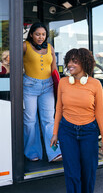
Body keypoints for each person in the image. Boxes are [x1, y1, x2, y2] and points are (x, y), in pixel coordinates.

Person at [50, 48, 103, 193]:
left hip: (89, 132)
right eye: (69, 61)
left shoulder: (95, 84)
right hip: (67, 131)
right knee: (72, 173)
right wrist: (55, 133)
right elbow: (59, 109)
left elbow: (100, 112)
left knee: (88, 172)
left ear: (84, 63)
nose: (70, 64)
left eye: (74, 61)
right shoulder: (63, 83)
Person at [23, 22, 62, 162]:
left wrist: (60, 85)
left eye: (43, 34)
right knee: (30, 121)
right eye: (37, 34)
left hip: (48, 87)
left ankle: (54, 153)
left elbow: (54, 68)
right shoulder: (24, 46)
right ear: (32, 34)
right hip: (29, 86)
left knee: (49, 120)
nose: (41, 37)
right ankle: (32, 152)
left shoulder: (50, 47)